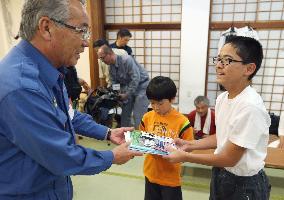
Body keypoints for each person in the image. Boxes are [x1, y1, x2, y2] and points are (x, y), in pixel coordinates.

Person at [0, 0, 142, 199]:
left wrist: (107, 132)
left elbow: (69, 115)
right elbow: (60, 155)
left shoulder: (50, 71)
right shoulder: (22, 87)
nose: (85, 42)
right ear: (46, 27)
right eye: (81, 31)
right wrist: (112, 156)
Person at [163, 36, 271, 200]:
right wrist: (190, 144)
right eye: (218, 59)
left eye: (227, 60)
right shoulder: (223, 98)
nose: (218, 65)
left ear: (248, 69)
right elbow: (223, 137)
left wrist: (186, 156)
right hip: (221, 173)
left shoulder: (250, 107)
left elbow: (229, 158)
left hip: (245, 184)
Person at [139, 76, 194, 200]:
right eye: (152, 103)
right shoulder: (147, 117)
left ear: (172, 99)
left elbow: (189, 149)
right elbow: (141, 140)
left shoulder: (182, 122)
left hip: (170, 178)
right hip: (150, 173)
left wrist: (176, 152)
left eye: (160, 103)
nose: (156, 107)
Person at [97, 44, 149, 129]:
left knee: (138, 115)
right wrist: (117, 93)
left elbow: (136, 78)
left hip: (142, 86)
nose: (102, 61)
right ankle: (125, 136)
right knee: (125, 114)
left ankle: (140, 139)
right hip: (128, 87)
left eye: (102, 58)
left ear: (109, 54)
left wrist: (127, 94)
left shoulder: (127, 60)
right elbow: (114, 82)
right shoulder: (111, 67)